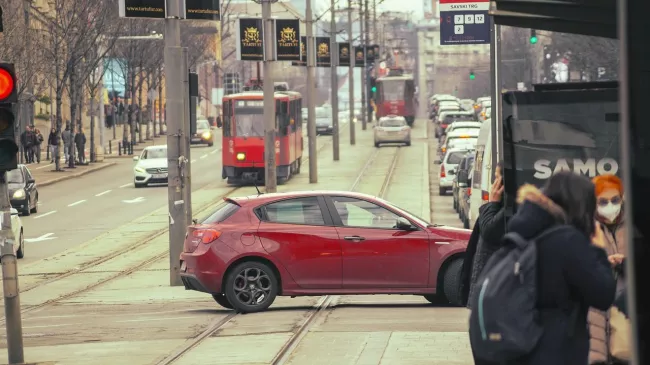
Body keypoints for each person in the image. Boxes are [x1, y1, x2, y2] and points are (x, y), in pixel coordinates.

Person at [479, 172, 615, 365]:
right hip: (556, 352)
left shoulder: (525, 233)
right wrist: (599, 249)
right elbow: (603, 293)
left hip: (524, 349)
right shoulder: (567, 241)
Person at [588, 174, 629, 365]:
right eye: (603, 201)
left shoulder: (634, 227)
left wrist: (627, 264)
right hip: (596, 312)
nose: (610, 206)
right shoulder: (586, 229)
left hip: (626, 312)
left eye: (615, 200)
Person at [460, 161, 506, 308]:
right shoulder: (500, 207)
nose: (493, 184)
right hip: (487, 291)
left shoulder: (506, 208)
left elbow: (489, 231)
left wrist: (492, 203)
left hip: (492, 294)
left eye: (497, 178)